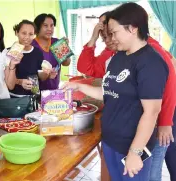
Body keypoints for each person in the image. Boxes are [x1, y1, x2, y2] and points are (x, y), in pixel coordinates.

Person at [64, 3, 169, 180]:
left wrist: (135, 153)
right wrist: (79, 86)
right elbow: (108, 93)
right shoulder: (118, 57)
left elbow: (151, 112)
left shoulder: (150, 62)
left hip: (131, 146)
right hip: (111, 141)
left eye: (114, 32)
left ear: (132, 28)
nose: (111, 38)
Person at [5, 20, 51, 97]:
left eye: (31, 34)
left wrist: (47, 73)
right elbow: (5, 80)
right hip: (14, 98)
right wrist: (20, 82)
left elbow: (41, 77)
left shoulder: (37, 52)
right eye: (24, 33)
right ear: (17, 33)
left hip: (34, 97)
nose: (27, 37)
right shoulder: (8, 52)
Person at [32, 13, 71, 90]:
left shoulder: (57, 43)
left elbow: (66, 63)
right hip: (35, 91)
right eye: (45, 26)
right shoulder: (32, 45)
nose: (49, 29)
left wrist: (64, 48)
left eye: (52, 25)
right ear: (37, 27)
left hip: (54, 90)